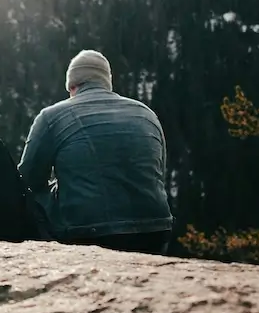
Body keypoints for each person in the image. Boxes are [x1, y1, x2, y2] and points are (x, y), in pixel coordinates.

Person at [17, 49, 173, 254]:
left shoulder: (52, 116)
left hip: (90, 233)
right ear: (107, 82)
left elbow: (28, 178)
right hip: (155, 230)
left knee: (30, 199)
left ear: (72, 86)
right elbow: (157, 172)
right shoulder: (146, 113)